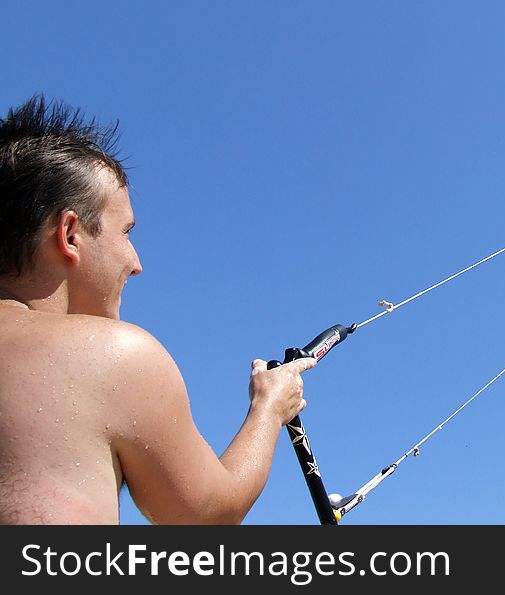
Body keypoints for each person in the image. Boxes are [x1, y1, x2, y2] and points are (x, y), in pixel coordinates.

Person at [0, 95, 315, 524]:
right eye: (125, 231)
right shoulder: (114, 357)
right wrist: (270, 407)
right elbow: (207, 517)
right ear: (70, 234)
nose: (136, 263)